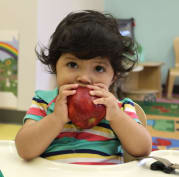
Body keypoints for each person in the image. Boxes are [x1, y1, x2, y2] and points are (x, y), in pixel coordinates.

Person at [15, 10, 152, 165]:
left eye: (99, 68)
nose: (84, 78)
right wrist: (56, 119)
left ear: (114, 76)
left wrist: (117, 117)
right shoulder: (44, 103)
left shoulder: (120, 108)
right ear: (56, 67)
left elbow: (143, 149)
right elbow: (24, 149)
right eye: (73, 65)